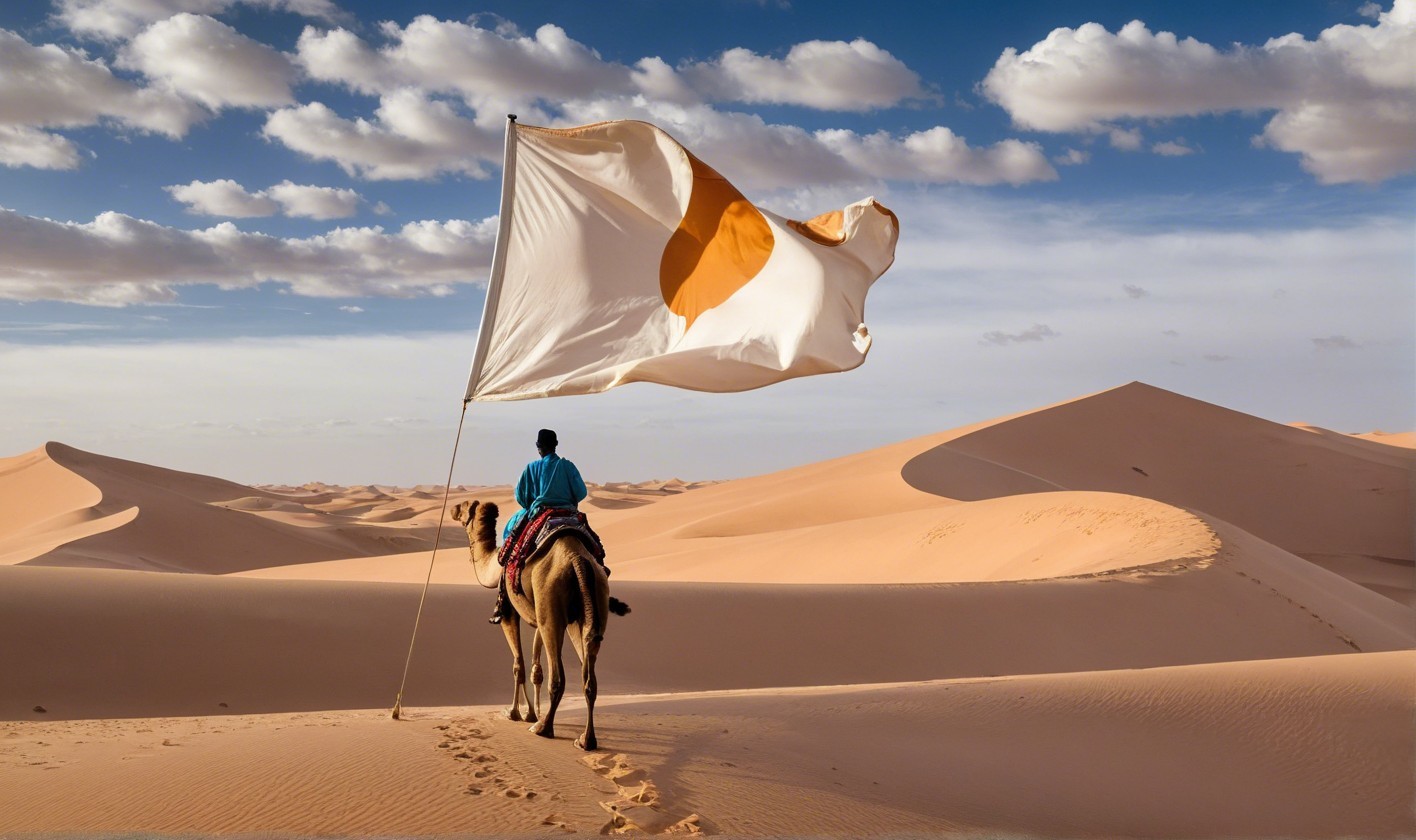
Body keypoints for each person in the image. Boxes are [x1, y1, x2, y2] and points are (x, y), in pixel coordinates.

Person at [489, 428, 588, 623]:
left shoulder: (531, 469)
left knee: (510, 545)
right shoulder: (567, 467)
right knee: (592, 544)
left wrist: (533, 503)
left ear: (538, 447)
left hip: (538, 513)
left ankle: (504, 598)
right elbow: (581, 492)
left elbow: (521, 497)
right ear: (556, 445)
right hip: (568, 514)